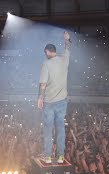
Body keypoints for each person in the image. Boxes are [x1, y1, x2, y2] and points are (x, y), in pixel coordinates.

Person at [38, 31, 71, 164]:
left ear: (47, 51)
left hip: (49, 102)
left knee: (48, 128)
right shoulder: (65, 59)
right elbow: (67, 48)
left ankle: (47, 156)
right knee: (60, 128)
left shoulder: (46, 63)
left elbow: (43, 83)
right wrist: (67, 40)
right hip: (62, 101)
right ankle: (60, 156)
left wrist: (40, 98)